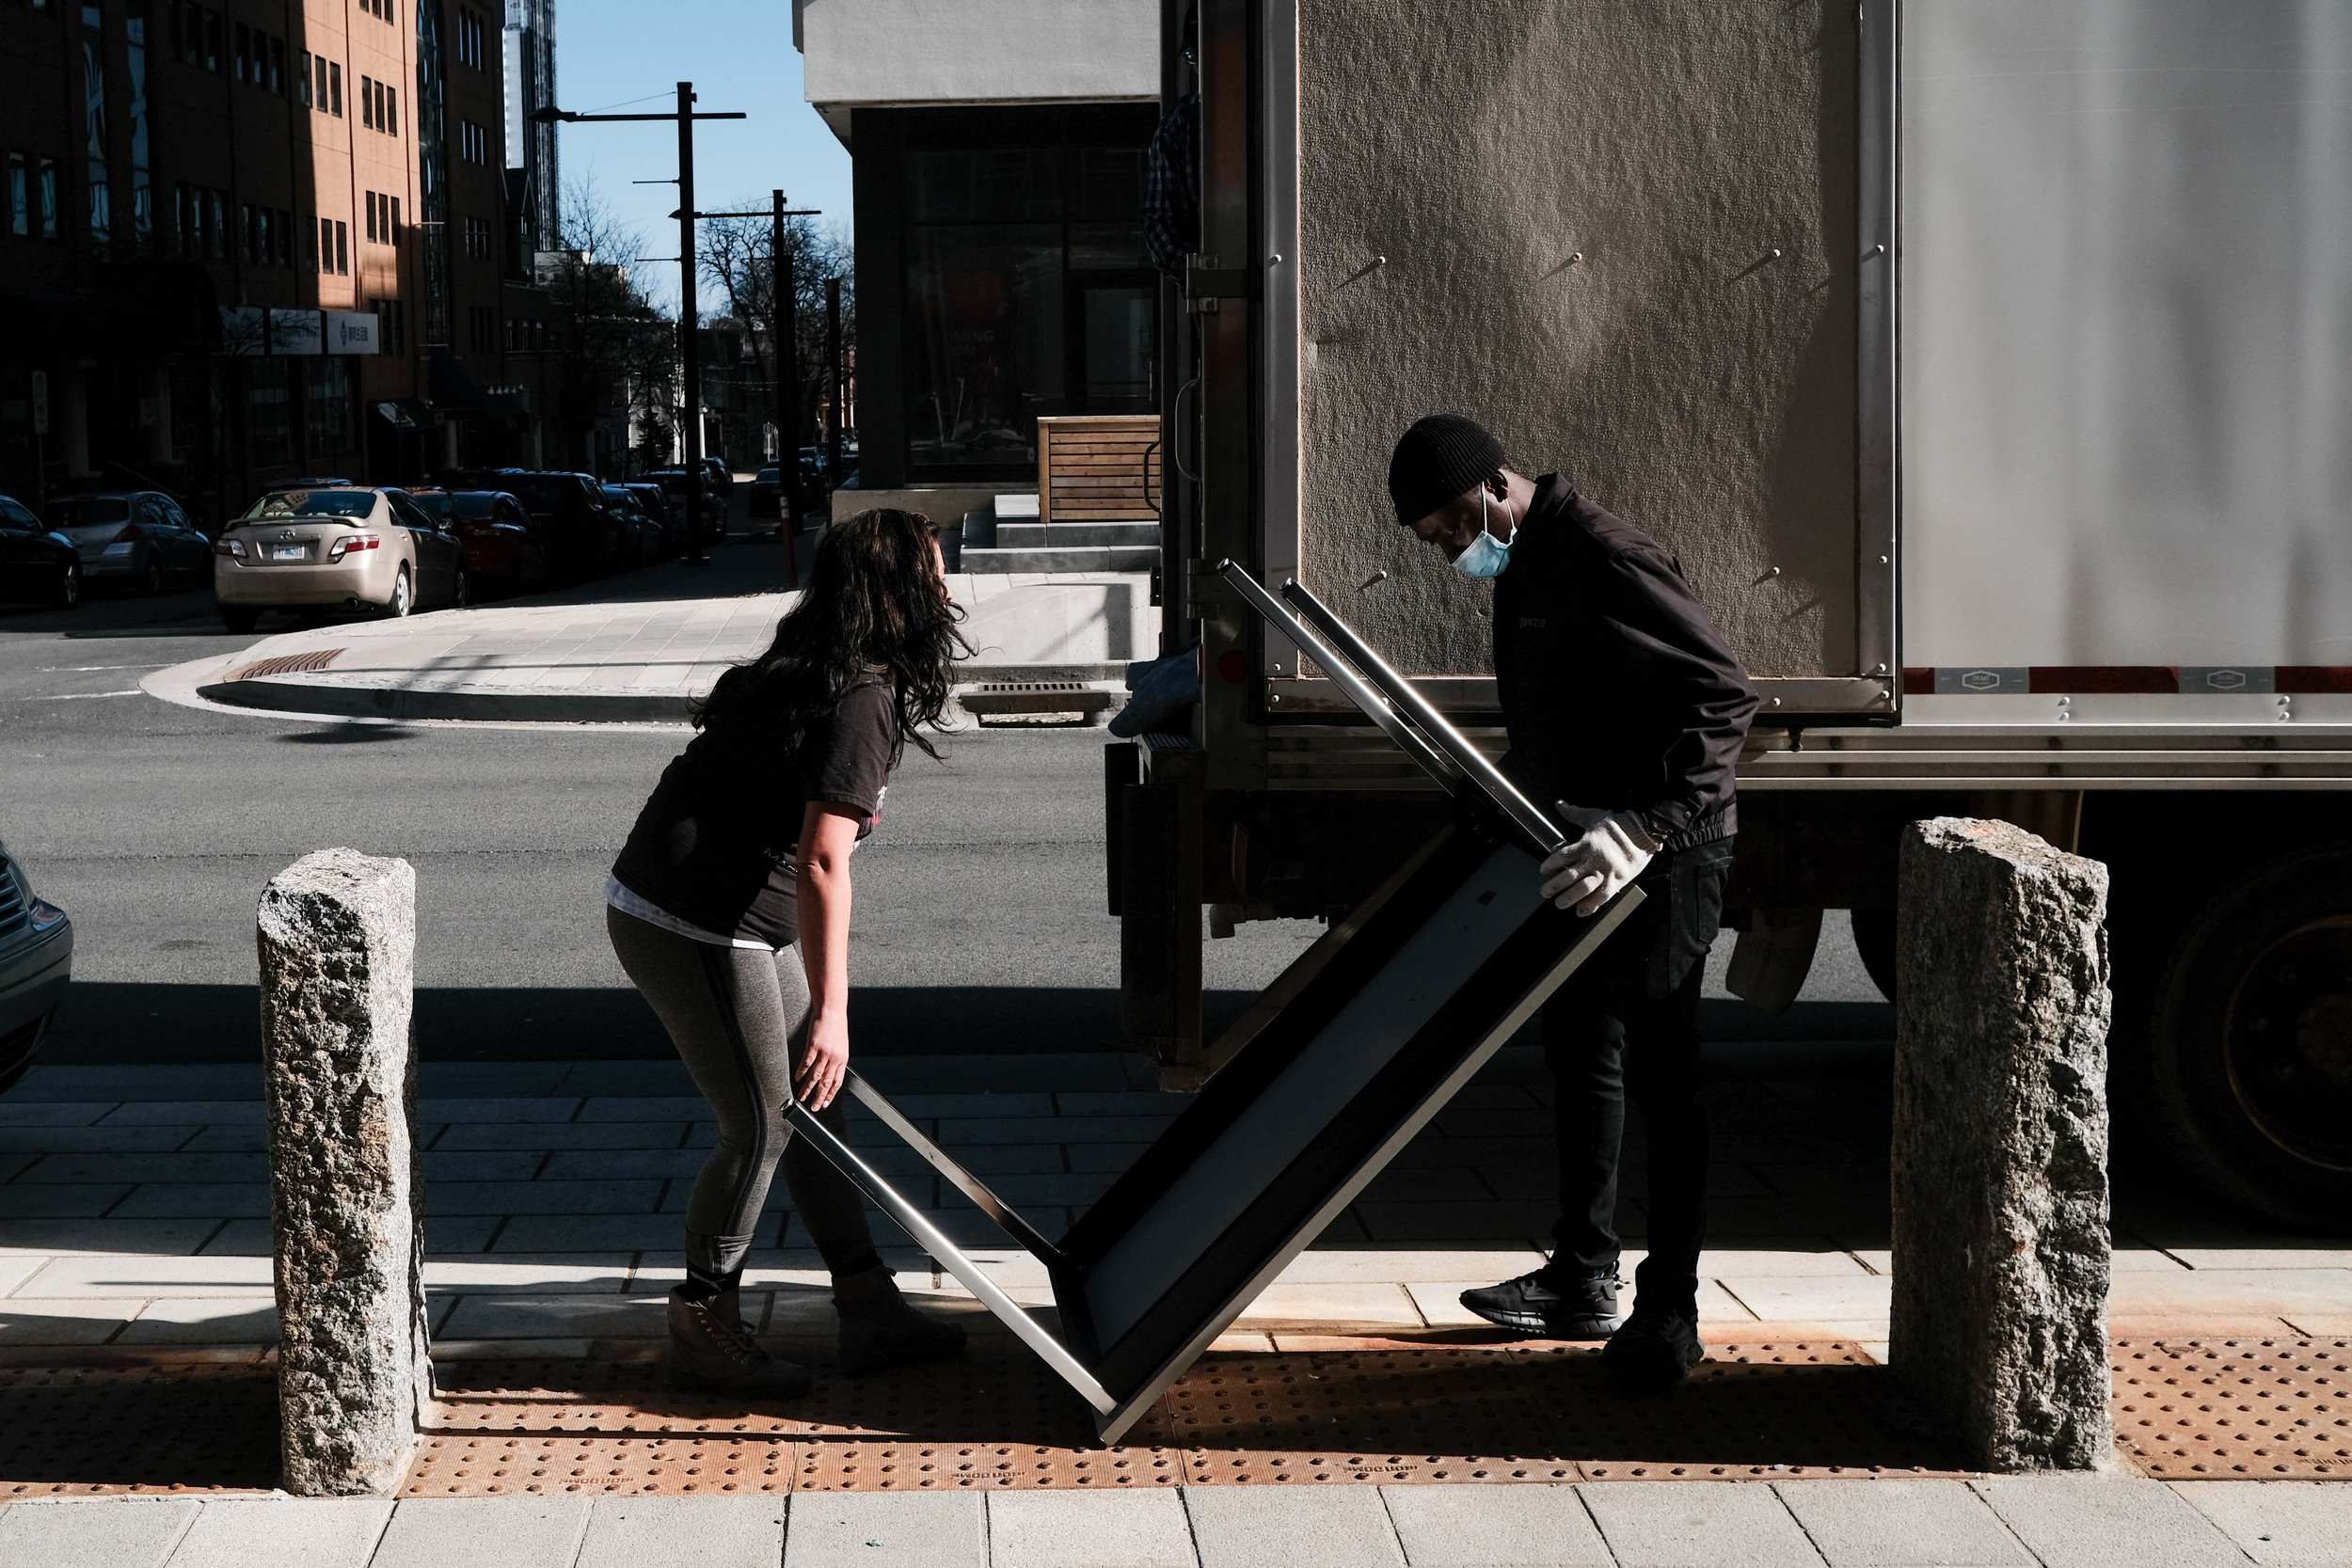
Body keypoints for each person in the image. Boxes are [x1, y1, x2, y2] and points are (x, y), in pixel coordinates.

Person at [1386, 415, 1759, 1393]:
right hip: (1586, 845)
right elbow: (1565, 710)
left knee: (1665, 1068)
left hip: (1664, 848)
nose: (1446, 552)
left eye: (1444, 530)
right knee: (1583, 1052)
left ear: (1488, 489)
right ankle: (1582, 1276)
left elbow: (1723, 695)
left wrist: (1646, 824)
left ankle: (1668, 1309)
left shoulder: (1600, 554)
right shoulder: (1525, 565)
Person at [605, 507, 973, 1396]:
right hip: (690, 917)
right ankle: (703, 1323)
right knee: (763, 1123)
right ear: (900, 592)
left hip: (723, 909)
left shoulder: (821, 668)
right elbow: (820, 860)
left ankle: (869, 1307)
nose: (950, 587)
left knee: (816, 1103)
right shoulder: (861, 696)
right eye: (936, 570)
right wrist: (834, 1011)